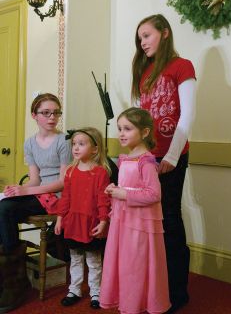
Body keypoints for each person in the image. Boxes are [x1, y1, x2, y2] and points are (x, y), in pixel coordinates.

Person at [131, 14, 196, 312]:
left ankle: (176, 293)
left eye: (147, 35)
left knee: (169, 220)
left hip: (172, 157)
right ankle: (155, 287)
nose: (142, 42)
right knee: (150, 223)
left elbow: (188, 114)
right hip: (147, 158)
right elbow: (139, 120)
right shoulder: (145, 73)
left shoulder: (182, 66)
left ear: (165, 33)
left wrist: (171, 156)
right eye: (140, 38)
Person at [0, 92, 72, 313]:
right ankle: (7, 268)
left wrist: (27, 191)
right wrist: (17, 189)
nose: (52, 117)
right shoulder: (30, 142)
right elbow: (34, 178)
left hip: (56, 196)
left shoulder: (64, 141)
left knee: (5, 209)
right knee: (5, 204)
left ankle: (13, 275)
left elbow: (61, 183)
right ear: (34, 115)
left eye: (56, 112)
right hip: (39, 191)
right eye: (46, 113)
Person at [100, 107, 171, 314]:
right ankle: (127, 303)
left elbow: (153, 194)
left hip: (139, 225)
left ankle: (136, 305)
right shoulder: (126, 158)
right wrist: (114, 190)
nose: (121, 133)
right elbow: (127, 185)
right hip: (123, 222)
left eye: (127, 129)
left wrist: (124, 194)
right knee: (124, 264)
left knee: (135, 266)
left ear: (145, 132)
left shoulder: (146, 161)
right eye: (120, 128)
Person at [55, 127, 111, 309]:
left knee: (94, 260)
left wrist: (103, 221)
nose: (76, 148)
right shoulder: (70, 171)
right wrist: (59, 218)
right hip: (73, 222)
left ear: (95, 149)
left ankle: (96, 291)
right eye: (74, 144)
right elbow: (66, 198)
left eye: (81, 144)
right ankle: (75, 289)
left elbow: (104, 199)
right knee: (76, 258)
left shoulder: (100, 172)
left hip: (91, 223)